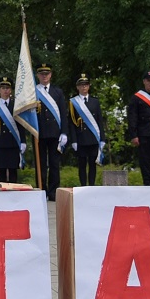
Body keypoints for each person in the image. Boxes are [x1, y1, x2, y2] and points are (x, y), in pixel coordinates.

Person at [33, 63, 68, 200]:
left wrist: (64, 132)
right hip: (39, 132)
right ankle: (41, 190)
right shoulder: (33, 91)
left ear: (50, 75)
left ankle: (53, 192)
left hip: (55, 132)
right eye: (42, 74)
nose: (44, 76)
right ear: (38, 75)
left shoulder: (57, 92)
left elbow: (63, 113)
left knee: (54, 164)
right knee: (40, 163)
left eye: (46, 74)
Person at [69, 75, 104, 185]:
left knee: (92, 164)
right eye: (81, 85)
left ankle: (92, 186)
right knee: (82, 164)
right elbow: (71, 123)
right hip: (81, 138)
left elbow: (99, 121)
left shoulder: (95, 102)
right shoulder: (73, 102)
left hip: (93, 137)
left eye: (86, 85)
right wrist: (73, 140)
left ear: (89, 87)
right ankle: (83, 186)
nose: (84, 87)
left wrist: (102, 138)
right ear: (77, 87)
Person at [0, 79, 24, 183]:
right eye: (3, 88)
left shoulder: (16, 105)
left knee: (13, 171)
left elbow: (20, 124)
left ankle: (14, 196)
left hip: (13, 142)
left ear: (11, 90)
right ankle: (1, 195)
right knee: (1, 171)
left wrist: (23, 141)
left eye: (7, 88)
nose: (5, 90)